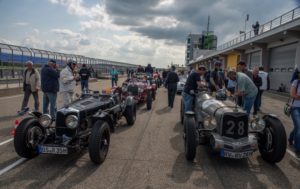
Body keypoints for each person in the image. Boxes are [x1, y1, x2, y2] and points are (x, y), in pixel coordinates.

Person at [289, 73, 300, 158]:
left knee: (297, 127)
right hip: (295, 108)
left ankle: (290, 138)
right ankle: (298, 149)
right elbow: (292, 95)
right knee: (299, 127)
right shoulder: (296, 82)